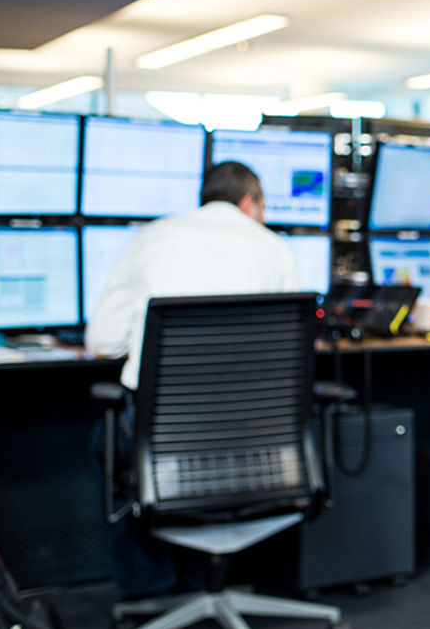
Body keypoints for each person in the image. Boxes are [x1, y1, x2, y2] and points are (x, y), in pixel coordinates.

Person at [86, 160, 301, 598]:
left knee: (106, 447)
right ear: (249, 202)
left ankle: (147, 586)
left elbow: (103, 341)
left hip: (164, 435)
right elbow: (293, 342)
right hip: (252, 437)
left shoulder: (153, 236)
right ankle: (207, 576)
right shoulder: (274, 247)